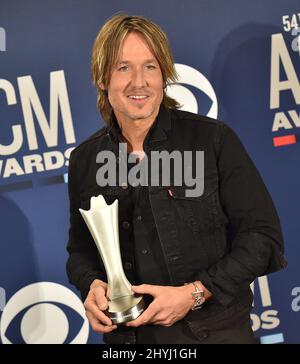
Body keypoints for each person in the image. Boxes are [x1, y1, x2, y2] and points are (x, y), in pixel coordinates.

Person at [66, 14, 287, 344]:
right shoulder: (85, 160)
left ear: (164, 75)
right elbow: (81, 251)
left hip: (214, 334)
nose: (139, 82)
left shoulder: (212, 140)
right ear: (102, 78)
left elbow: (262, 238)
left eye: (150, 67)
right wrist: (93, 285)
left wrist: (195, 294)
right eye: (123, 67)